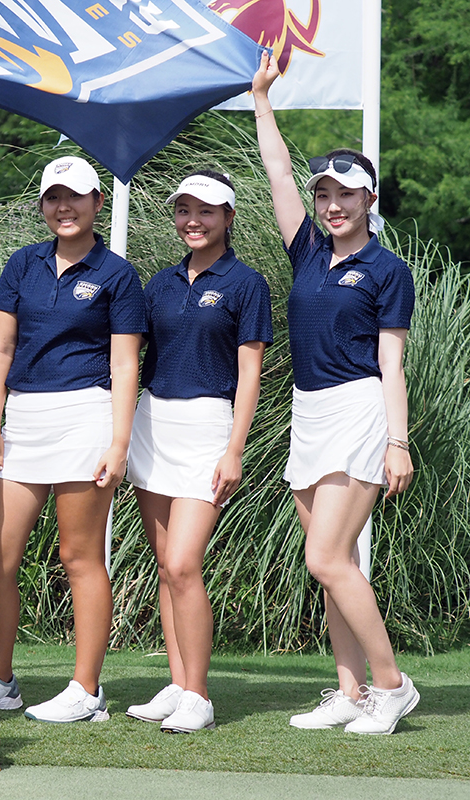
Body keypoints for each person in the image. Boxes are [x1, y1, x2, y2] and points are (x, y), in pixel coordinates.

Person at [253, 52, 419, 735]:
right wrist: (262, 100)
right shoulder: (308, 253)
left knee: (324, 556)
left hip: (358, 409)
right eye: (325, 195)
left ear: (369, 200)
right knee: (336, 565)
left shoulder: (388, 269)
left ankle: (392, 686)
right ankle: (349, 692)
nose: (332, 205)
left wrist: (398, 441)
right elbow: (277, 172)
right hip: (309, 410)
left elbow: (392, 363)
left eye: (346, 195)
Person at [0, 156, 144, 722]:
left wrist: (119, 443)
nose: (63, 207)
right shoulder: (22, 264)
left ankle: (87, 689)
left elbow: (125, 365)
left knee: (79, 555)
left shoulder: (117, 273)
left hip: (86, 415)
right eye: (53, 197)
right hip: (23, 417)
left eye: (75, 196)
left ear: (98, 203)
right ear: (43, 204)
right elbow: (0, 350)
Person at [123, 171, 272, 733]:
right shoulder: (159, 284)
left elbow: (250, 371)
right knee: (166, 567)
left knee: (185, 563)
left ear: (229, 217)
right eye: (184, 209)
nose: (194, 220)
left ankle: (200, 696)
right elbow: (133, 361)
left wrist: (235, 446)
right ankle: (179, 681)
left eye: (207, 211)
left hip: (210, 425)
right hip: (153, 424)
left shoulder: (246, 283)